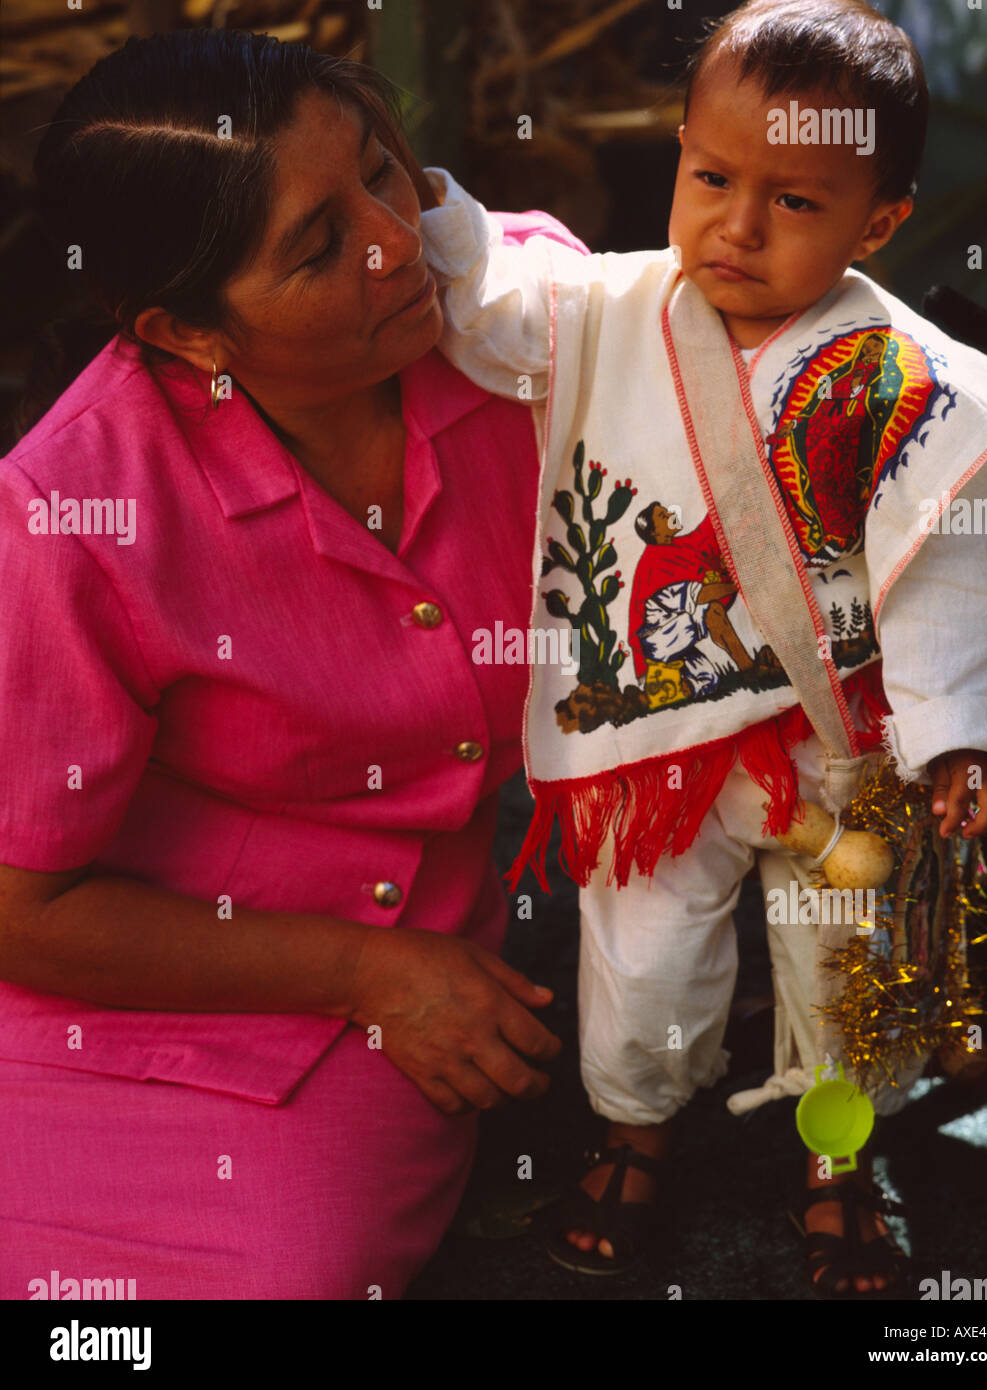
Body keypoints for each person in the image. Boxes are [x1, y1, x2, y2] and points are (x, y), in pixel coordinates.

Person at [416, 0, 987, 1293]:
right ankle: (634, 1127)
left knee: (844, 963)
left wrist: (961, 725)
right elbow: (483, 296)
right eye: (712, 178)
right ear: (681, 152)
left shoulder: (904, 379)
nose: (736, 227)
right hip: (656, 735)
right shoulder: (600, 310)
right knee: (638, 954)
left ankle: (840, 1157)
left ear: (879, 223)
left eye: (796, 202)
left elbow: (953, 561)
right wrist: (413, 207)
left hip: (842, 746)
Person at [0, 27, 589, 1300]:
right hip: (107, 990)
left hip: (355, 1029)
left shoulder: (526, 336)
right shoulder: (77, 513)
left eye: (385, 171)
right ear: (187, 331)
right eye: (320, 246)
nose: (395, 241)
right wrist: (373, 974)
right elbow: (20, 909)